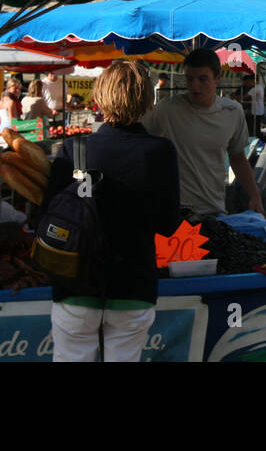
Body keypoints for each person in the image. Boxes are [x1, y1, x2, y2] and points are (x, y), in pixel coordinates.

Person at [42, 61, 181, 362]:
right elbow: (169, 224)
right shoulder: (160, 152)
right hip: (133, 285)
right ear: (147, 100)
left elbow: (46, 216)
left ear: (99, 98)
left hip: (76, 284)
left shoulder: (74, 149)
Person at [143, 47, 264, 216]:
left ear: (217, 78)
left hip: (214, 209)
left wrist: (255, 196)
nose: (195, 85)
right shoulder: (168, 109)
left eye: (202, 79)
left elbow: (238, 158)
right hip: (174, 213)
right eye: (189, 79)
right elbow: (137, 137)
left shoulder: (233, 111)